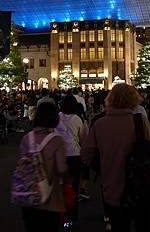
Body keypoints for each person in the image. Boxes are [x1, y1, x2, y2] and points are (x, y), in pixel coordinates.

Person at [82, 83, 150, 232]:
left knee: (118, 226)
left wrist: (102, 166)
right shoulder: (139, 121)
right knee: (145, 224)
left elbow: (86, 153)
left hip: (112, 186)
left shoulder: (100, 124)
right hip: (139, 185)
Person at [19, 102, 68, 232]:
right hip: (50, 196)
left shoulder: (26, 138)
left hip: (28, 194)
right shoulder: (57, 140)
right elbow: (62, 168)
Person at [56, 95, 87, 226]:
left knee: (59, 185)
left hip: (59, 155)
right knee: (74, 186)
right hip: (74, 155)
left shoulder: (57, 117)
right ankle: (72, 214)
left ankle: (59, 213)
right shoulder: (77, 119)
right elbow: (83, 138)